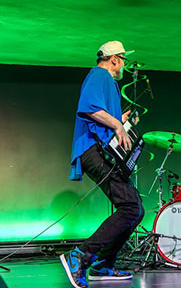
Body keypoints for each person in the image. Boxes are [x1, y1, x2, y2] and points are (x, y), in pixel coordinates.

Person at [61, 41, 144, 288]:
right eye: (124, 60)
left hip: (98, 151)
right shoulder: (100, 74)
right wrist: (118, 125)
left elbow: (100, 114)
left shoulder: (107, 82)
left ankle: (103, 265)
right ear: (115, 59)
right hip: (94, 151)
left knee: (135, 209)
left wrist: (119, 119)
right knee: (130, 207)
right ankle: (79, 256)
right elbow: (88, 108)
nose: (125, 66)